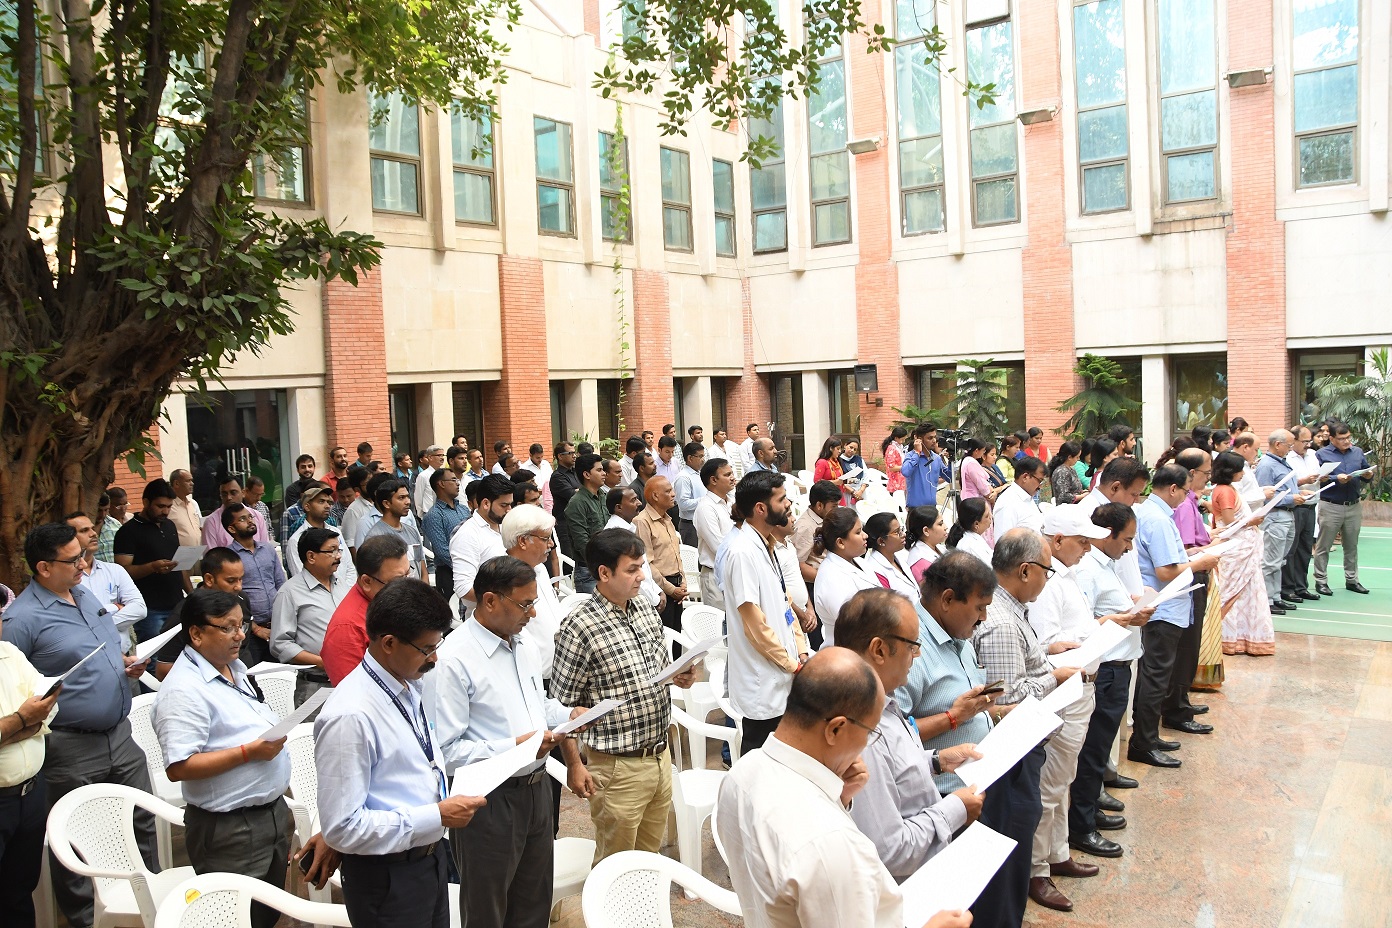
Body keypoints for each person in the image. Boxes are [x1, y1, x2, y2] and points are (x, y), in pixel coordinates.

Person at [716, 649, 972, 928]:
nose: (866, 745)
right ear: (835, 729)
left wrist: (839, 800)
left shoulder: (742, 773)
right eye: (870, 732)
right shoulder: (831, 845)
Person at [5, 523, 156, 928]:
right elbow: (12, 685)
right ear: (43, 567)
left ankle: (152, 905)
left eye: (84, 556)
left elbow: (99, 649)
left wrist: (123, 665)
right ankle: (88, 919)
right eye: (73, 560)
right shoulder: (22, 619)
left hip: (120, 734)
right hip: (70, 745)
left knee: (141, 818)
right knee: (77, 839)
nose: (84, 565)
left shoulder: (84, 594)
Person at [154, 589, 333, 928]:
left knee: (265, 913)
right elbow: (179, 767)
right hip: (230, 827)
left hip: (269, 814)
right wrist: (249, 752)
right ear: (196, 633)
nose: (240, 635)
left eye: (242, 625)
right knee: (235, 915)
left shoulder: (233, 668)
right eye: (228, 627)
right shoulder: (183, 691)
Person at [426, 557, 589, 928]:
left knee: (533, 901)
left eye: (534, 602)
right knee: (488, 908)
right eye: (525, 604)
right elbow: (446, 752)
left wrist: (569, 714)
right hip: (489, 799)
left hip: (536, 788)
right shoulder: (453, 659)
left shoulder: (522, 643)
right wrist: (517, 746)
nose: (533, 614)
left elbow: (536, 706)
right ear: (490, 601)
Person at [315, 578, 487, 928]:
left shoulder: (406, 684)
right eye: (426, 649)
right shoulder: (351, 715)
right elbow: (343, 828)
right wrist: (435, 815)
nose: (434, 658)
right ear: (389, 643)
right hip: (388, 875)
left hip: (428, 859)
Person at [549, 529, 696, 861]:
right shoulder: (580, 626)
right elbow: (562, 707)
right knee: (615, 864)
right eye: (632, 569)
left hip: (659, 756)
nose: (642, 576)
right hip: (616, 768)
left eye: (642, 566)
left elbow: (656, 671)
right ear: (604, 573)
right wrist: (574, 764)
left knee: (648, 859)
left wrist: (679, 675)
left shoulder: (644, 608)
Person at [972, 529, 1084, 913]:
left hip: (1021, 752)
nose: (1047, 580)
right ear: (1024, 571)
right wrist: (1055, 677)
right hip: (1011, 756)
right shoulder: (1002, 623)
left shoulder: (1010, 612)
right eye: (1046, 571)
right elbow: (1007, 699)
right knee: (1010, 850)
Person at [838, 589, 982, 878]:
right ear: (879, 650)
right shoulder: (863, 732)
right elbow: (889, 852)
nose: (917, 655)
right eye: (912, 646)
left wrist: (936, 760)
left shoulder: (884, 702)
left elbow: (894, 769)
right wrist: (956, 808)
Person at [1028, 506, 1121, 881]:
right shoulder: (1048, 584)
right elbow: (1047, 646)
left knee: (1063, 779)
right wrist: (1087, 639)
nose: (1087, 548)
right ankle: (1037, 868)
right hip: (1064, 690)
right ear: (1057, 540)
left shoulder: (1067, 576)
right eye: (1082, 541)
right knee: (1050, 784)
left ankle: (1057, 852)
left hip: (1081, 686)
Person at [1070, 503, 1154, 859]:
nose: (1130, 547)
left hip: (1118, 665)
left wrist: (1132, 608)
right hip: (1104, 668)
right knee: (1092, 751)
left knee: (1101, 747)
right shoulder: (1088, 570)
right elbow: (1083, 624)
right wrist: (1122, 618)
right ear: (1108, 535)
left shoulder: (1108, 564)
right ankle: (1081, 826)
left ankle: (1090, 809)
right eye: (1127, 540)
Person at [1128, 465, 1220, 768]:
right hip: (1163, 608)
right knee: (1155, 678)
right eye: (1185, 491)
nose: (1186, 497)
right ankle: (1143, 742)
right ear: (1172, 489)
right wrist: (1200, 563)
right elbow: (1166, 571)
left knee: (1154, 676)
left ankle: (1149, 737)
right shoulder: (1157, 519)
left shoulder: (1148, 512)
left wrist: (1191, 556)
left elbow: (1169, 560)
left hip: (1159, 606)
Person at [717, 471, 809, 755]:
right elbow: (754, 625)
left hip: (783, 672)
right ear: (761, 508)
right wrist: (792, 664)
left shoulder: (767, 544)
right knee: (761, 763)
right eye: (781, 499)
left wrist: (801, 651)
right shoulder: (741, 552)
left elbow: (784, 602)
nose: (788, 504)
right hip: (763, 682)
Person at [0, 599, 63, 928]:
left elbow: (48, 708)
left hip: (29, 794)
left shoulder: (9, 653)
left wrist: (14, 728)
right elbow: (32, 714)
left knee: (19, 891)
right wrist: (23, 719)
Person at [321, 535, 414, 686]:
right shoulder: (347, 628)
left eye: (407, 575)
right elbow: (350, 691)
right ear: (367, 582)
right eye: (397, 581)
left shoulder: (391, 602)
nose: (405, 587)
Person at [151, 548, 254, 680]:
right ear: (209, 579)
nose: (238, 587)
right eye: (231, 581)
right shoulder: (185, 614)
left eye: (240, 579)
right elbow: (163, 670)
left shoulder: (241, 599)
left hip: (246, 676)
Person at [1210, 451, 1275, 656]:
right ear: (1230, 471)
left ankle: (1242, 637)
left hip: (1242, 547)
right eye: (1240, 470)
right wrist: (1251, 521)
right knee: (1234, 594)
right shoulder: (1225, 491)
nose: (1243, 474)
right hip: (1237, 547)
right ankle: (1233, 638)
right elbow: (1230, 522)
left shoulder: (1226, 489)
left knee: (1248, 592)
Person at [272, 527, 348, 705]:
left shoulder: (342, 585)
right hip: (315, 685)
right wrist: (322, 662)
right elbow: (280, 644)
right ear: (311, 556)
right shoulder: (289, 592)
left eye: (339, 550)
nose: (338, 556)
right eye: (331, 551)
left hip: (347, 682)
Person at [1171, 449, 1222, 699]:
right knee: (1188, 642)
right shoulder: (1183, 505)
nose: (1208, 477)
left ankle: (1181, 699)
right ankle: (1178, 701)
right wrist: (1211, 547)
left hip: (1198, 568)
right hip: (1191, 574)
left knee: (1193, 641)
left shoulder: (1191, 501)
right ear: (1191, 473)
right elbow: (1184, 549)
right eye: (1206, 473)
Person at [114, 478, 190, 642]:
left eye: (169, 507)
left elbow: (179, 565)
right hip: (150, 609)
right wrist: (152, 567)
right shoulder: (128, 532)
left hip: (177, 605)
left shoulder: (169, 526)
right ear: (146, 502)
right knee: (153, 652)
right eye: (160, 506)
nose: (165, 511)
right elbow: (122, 571)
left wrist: (191, 595)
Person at [1313, 420, 1375, 596]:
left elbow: (1365, 471)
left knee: (1351, 546)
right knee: (1324, 546)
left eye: (1348, 437)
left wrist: (1368, 475)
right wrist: (1335, 478)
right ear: (1332, 438)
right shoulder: (1321, 454)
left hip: (1353, 505)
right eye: (1342, 438)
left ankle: (1352, 580)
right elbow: (1317, 478)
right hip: (1330, 505)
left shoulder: (1357, 452)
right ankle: (1321, 580)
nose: (1347, 441)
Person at [811, 508, 882, 649]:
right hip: (850, 650)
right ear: (840, 542)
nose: (865, 536)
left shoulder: (859, 562)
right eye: (858, 532)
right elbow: (854, 625)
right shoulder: (831, 578)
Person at [67, 511, 147, 635]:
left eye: (93, 529)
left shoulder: (115, 570)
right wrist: (114, 608)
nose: (93, 534)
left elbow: (140, 609)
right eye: (84, 530)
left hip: (120, 646)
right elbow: (72, 620)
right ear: (68, 538)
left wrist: (96, 626)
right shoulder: (65, 577)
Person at [450, 474, 514, 616]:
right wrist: (502, 602)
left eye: (510, 504)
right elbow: (463, 588)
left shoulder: (504, 525)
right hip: (486, 617)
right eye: (503, 505)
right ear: (486, 503)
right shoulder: (468, 535)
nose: (509, 510)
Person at [633, 477, 687, 644]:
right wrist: (671, 589)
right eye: (668, 491)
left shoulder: (668, 519)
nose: (673, 494)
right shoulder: (642, 522)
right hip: (661, 590)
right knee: (664, 641)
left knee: (677, 641)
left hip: (676, 586)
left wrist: (683, 582)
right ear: (655, 496)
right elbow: (646, 563)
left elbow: (676, 554)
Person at [1282, 425, 1322, 605]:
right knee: (1291, 549)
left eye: (1309, 440)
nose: (1308, 444)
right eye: (1304, 441)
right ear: (1294, 441)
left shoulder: (1312, 455)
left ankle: (1301, 586)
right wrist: (1304, 480)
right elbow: (1286, 484)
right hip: (1296, 506)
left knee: (1305, 548)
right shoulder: (1288, 459)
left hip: (1311, 505)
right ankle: (1288, 588)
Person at [790, 480, 841, 611]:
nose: (836, 510)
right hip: (815, 586)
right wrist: (827, 579)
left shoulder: (824, 519)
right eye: (833, 506)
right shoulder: (805, 527)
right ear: (819, 505)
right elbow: (798, 565)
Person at [693, 458, 736, 608]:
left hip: (735, 572)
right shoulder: (706, 508)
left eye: (732, 473)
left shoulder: (731, 502)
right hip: (715, 575)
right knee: (721, 620)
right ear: (713, 480)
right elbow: (719, 548)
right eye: (727, 475)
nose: (733, 478)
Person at [564, 453, 608, 593]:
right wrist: (598, 564)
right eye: (599, 470)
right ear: (587, 474)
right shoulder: (577, 503)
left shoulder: (603, 496)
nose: (604, 473)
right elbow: (581, 542)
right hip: (589, 571)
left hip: (608, 566)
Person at [201, 475, 271, 548]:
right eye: (224, 494)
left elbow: (265, 548)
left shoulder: (257, 516)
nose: (229, 497)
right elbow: (211, 553)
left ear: (243, 493)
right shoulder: (212, 522)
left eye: (233, 493)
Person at [992, 456, 1046, 536]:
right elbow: (1002, 540)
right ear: (1025, 477)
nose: (1040, 486)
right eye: (1039, 481)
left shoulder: (1028, 498)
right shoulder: (1007, 503)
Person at [901, 423, 951, 509]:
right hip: (916, 508)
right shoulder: (911, 456)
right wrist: (917, 453)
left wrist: (951, 461)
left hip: (932, 507)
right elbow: (905, 472)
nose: (934, 441)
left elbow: (949, 478)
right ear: (920, 440)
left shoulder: (936, 458)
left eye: (935, 437)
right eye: (930, 438)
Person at [900, 505, 946, 584]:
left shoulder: (939, 547)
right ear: (926, 531)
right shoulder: (920, 561)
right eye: (940, 524)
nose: (946, 527)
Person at [672, 442, 706, 545]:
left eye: (703, 456)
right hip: (690, 525)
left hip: (701, 522)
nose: (703, 460)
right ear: (690, 458)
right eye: (700, 456)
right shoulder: (683, 477)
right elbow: (683, 504)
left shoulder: (699, 474)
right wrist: (705, 500)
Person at [945, 497, 994, 568]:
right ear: (976, 524)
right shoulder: (971, 546)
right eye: (987, 516)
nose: (991, 517)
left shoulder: (974, 538)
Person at [169, 469, 204, 547]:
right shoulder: (168, 507)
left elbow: (200, 526)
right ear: (176, 483)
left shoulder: (193, 503)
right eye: (188, 481)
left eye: (191, 480)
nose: (192, 483)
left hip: (198, 552)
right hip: (178, 553)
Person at [96, 488, 125, 563]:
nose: (103, 514)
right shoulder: (83, 528)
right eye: (99, 510)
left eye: (106, 510)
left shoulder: (115, 525)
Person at [882, 426, 909, 494]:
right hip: (895, 483)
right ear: (896, 438)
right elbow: (891, 467)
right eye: (902, 439)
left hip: (901, 482)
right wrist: (906, 467)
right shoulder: (891, 449)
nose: (904, 441)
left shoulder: (899, 447)